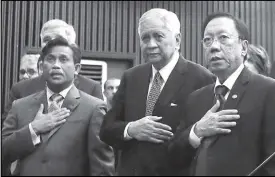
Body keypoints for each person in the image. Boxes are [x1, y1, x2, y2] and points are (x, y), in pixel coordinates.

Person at [99, 8, 215, 176]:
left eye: (158, 36)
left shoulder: (201, 79)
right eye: (145, 38)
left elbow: (202, 144)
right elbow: (106, 130)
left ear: (177, 40)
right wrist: (131, 129)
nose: (151, 44)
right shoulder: (131, 77)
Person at [169, 12, 275, 176]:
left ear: (244, 47)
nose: (214, 46)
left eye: (223, 38)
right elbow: (175, 156)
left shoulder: (268, 90)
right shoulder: (196, 98)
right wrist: (196, 131)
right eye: (207, 40)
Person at [2, 37, 115, 176]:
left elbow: (102, 169)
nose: (56, 65)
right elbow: (3, 151)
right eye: (50, 59)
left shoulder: (94, 108)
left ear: (77, 68)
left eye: (63, 59)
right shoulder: (20, 105)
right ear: (42, 66)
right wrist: (33, 129)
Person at [2, 19, 103, 126]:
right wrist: (32, 129)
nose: (51, 43)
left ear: (71, 44)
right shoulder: (21, 89)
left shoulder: (91, 88)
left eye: (58, 39)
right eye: (46, 39)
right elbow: (6, 135)